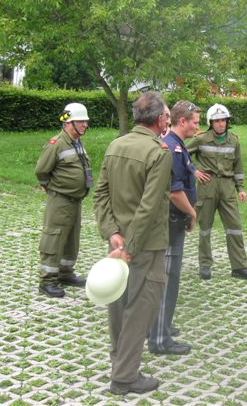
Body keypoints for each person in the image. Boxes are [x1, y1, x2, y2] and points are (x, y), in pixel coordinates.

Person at [93, 92, 172, 395]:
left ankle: (120, 364)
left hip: (118, 245)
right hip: (143, 246)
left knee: (118, 305)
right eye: (166, 115)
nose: (167, 119)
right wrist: (130, 247)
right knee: (141, 308)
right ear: (157, 119)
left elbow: (100, 195)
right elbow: (149, 206)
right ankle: (125, 377)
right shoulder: (159, 153)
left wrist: (112, 234)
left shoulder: (116, 145)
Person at [147, 100, 200, 356]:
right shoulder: (172, 149)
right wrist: (192, 212)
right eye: (195, 122)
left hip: (173, 222)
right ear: (182, 122)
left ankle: (162, 326)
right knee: (166, 280)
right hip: (171, 221)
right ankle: (159, 339)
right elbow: (174, 190)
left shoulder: (177, 146)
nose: (197, 128)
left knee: (169, 278)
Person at [187, 103, 247, 281]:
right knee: (205, 228)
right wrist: (194, 170)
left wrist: (240, 188)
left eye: (223, 120)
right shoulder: (201, 139)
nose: (220, 124)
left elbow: (238, 166)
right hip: (207, 187)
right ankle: (205, 265)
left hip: (227, 188)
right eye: (216, 121)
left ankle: (240, 267)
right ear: (211, 122)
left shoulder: (234, 140)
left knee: (234, 227)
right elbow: (183, 154)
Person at [35, 102, 92, 298]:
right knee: (54, 238)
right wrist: (52, 187)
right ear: (69, 123)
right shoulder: (57, 144)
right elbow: (42, 171)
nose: (85, 125)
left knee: (70, 240)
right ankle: (47, 281)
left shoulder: (76, 142)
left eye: (85, 121)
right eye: (81, 121)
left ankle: (65, 274)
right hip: (60, 200)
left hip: (75, 200)